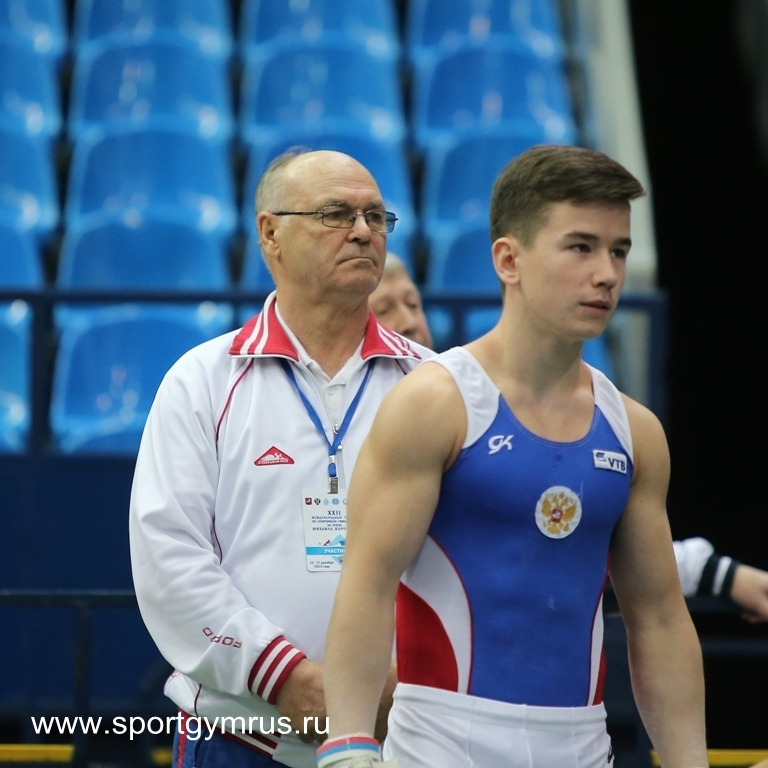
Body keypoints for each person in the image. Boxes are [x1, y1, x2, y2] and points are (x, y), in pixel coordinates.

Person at [321, 145, 709, 768]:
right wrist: (347, 747)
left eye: (618, 251)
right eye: (580, 247)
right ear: (509, 260)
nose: (607, 274)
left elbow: (660, 620)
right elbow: (366, 584)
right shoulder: (434, 404)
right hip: (441, 745)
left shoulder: (635, 431)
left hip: (582, 747)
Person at [129, 149, 432, 768]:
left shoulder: (436, 384)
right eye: (335, 213)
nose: (363, 231)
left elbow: (471, 559)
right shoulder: (203, 380)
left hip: (405, 732)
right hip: (240, 737)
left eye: (377, 216)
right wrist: (283, 677)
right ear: (270, 233)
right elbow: (169, 555)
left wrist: (412, 676)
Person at [371, 254, 768, 624]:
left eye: (413, 304)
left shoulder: (470, 416)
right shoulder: (373, 430)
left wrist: (716, 573)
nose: (409, 322)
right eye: (386, 310)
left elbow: (560, 548)